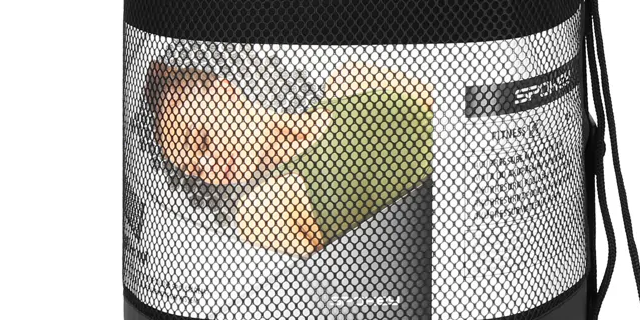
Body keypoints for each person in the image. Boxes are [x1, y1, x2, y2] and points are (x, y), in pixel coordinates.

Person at [142, 59, 433, 256]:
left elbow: (451, 112)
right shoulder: (261, 213)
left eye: (202, 141)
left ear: (225, 93)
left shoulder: (350, 80)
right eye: (195, 169)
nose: (209, 167)